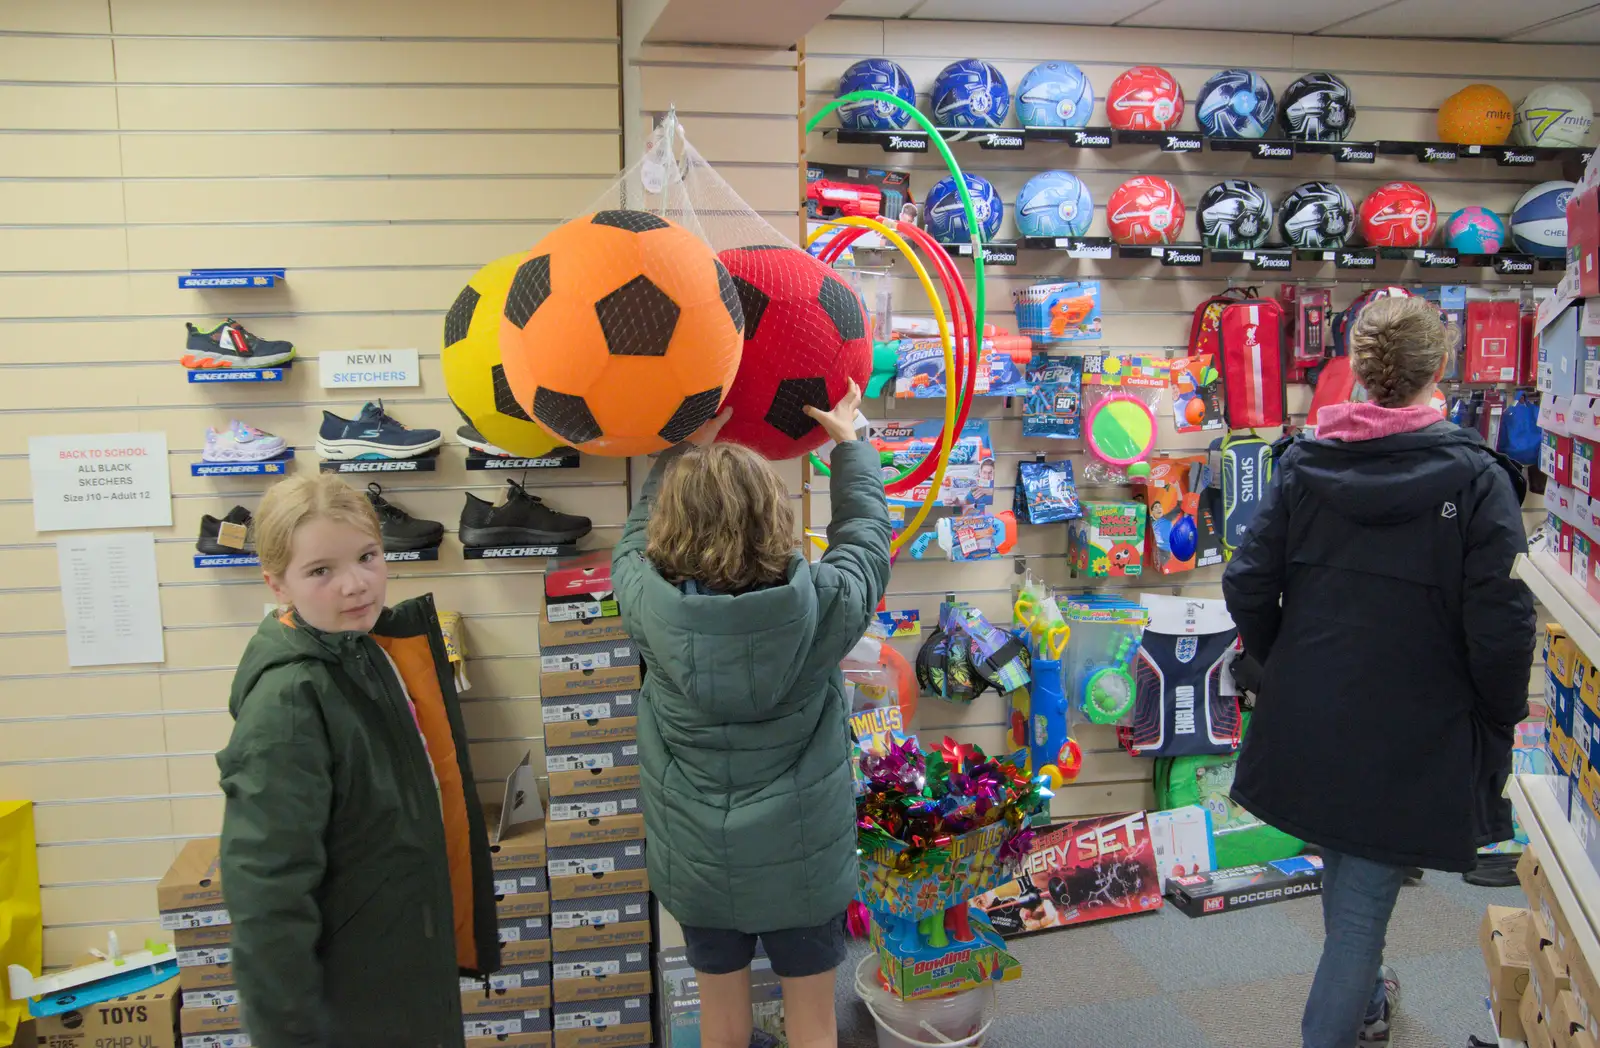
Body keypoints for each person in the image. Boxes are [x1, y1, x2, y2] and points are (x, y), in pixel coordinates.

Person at [1223, 296, 1536, 1048]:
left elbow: (1246, 582)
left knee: (1350, 876)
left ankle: (1365, 1008)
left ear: (1359, 368)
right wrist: (1498, 715)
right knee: (1358, 915)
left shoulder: (1305, 461)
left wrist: (1286, 660)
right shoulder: (1478, 480)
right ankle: (1339, 1022)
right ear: (1441, 369)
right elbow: (1501, 622)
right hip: (1412, 734)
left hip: (1315, 715)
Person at [612, 380, 891, 1048]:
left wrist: (678, 455)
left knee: (722, 1022)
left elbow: (627, 547)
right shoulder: (822, 605)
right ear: (777, 520)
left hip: (698, 865)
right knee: (814, 1021)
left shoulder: (645, 604)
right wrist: (851, 448)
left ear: (668, 526)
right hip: (805, 864)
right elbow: (866, 544)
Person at [217, 474, 499, 1047]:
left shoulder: (368, 653)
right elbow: (266, 891)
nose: (356, 584)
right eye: (321, 571)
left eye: (368, 556)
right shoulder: (290, 702)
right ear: (277, 584)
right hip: (348, 1010)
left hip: (406, 980)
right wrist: (289, 1034)